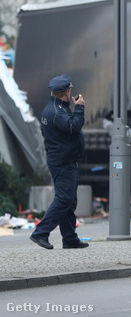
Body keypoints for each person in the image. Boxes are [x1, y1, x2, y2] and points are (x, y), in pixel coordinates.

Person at [29, 74, 88, 250]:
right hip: (63, 162)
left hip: (62, 160)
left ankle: (69, 239)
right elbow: (73, 127)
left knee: (69, 201)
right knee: (64, 199)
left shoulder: (54, 108)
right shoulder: (57, 112)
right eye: (69, 91)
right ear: (66, 92)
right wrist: (80, 109)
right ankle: (40, 233)